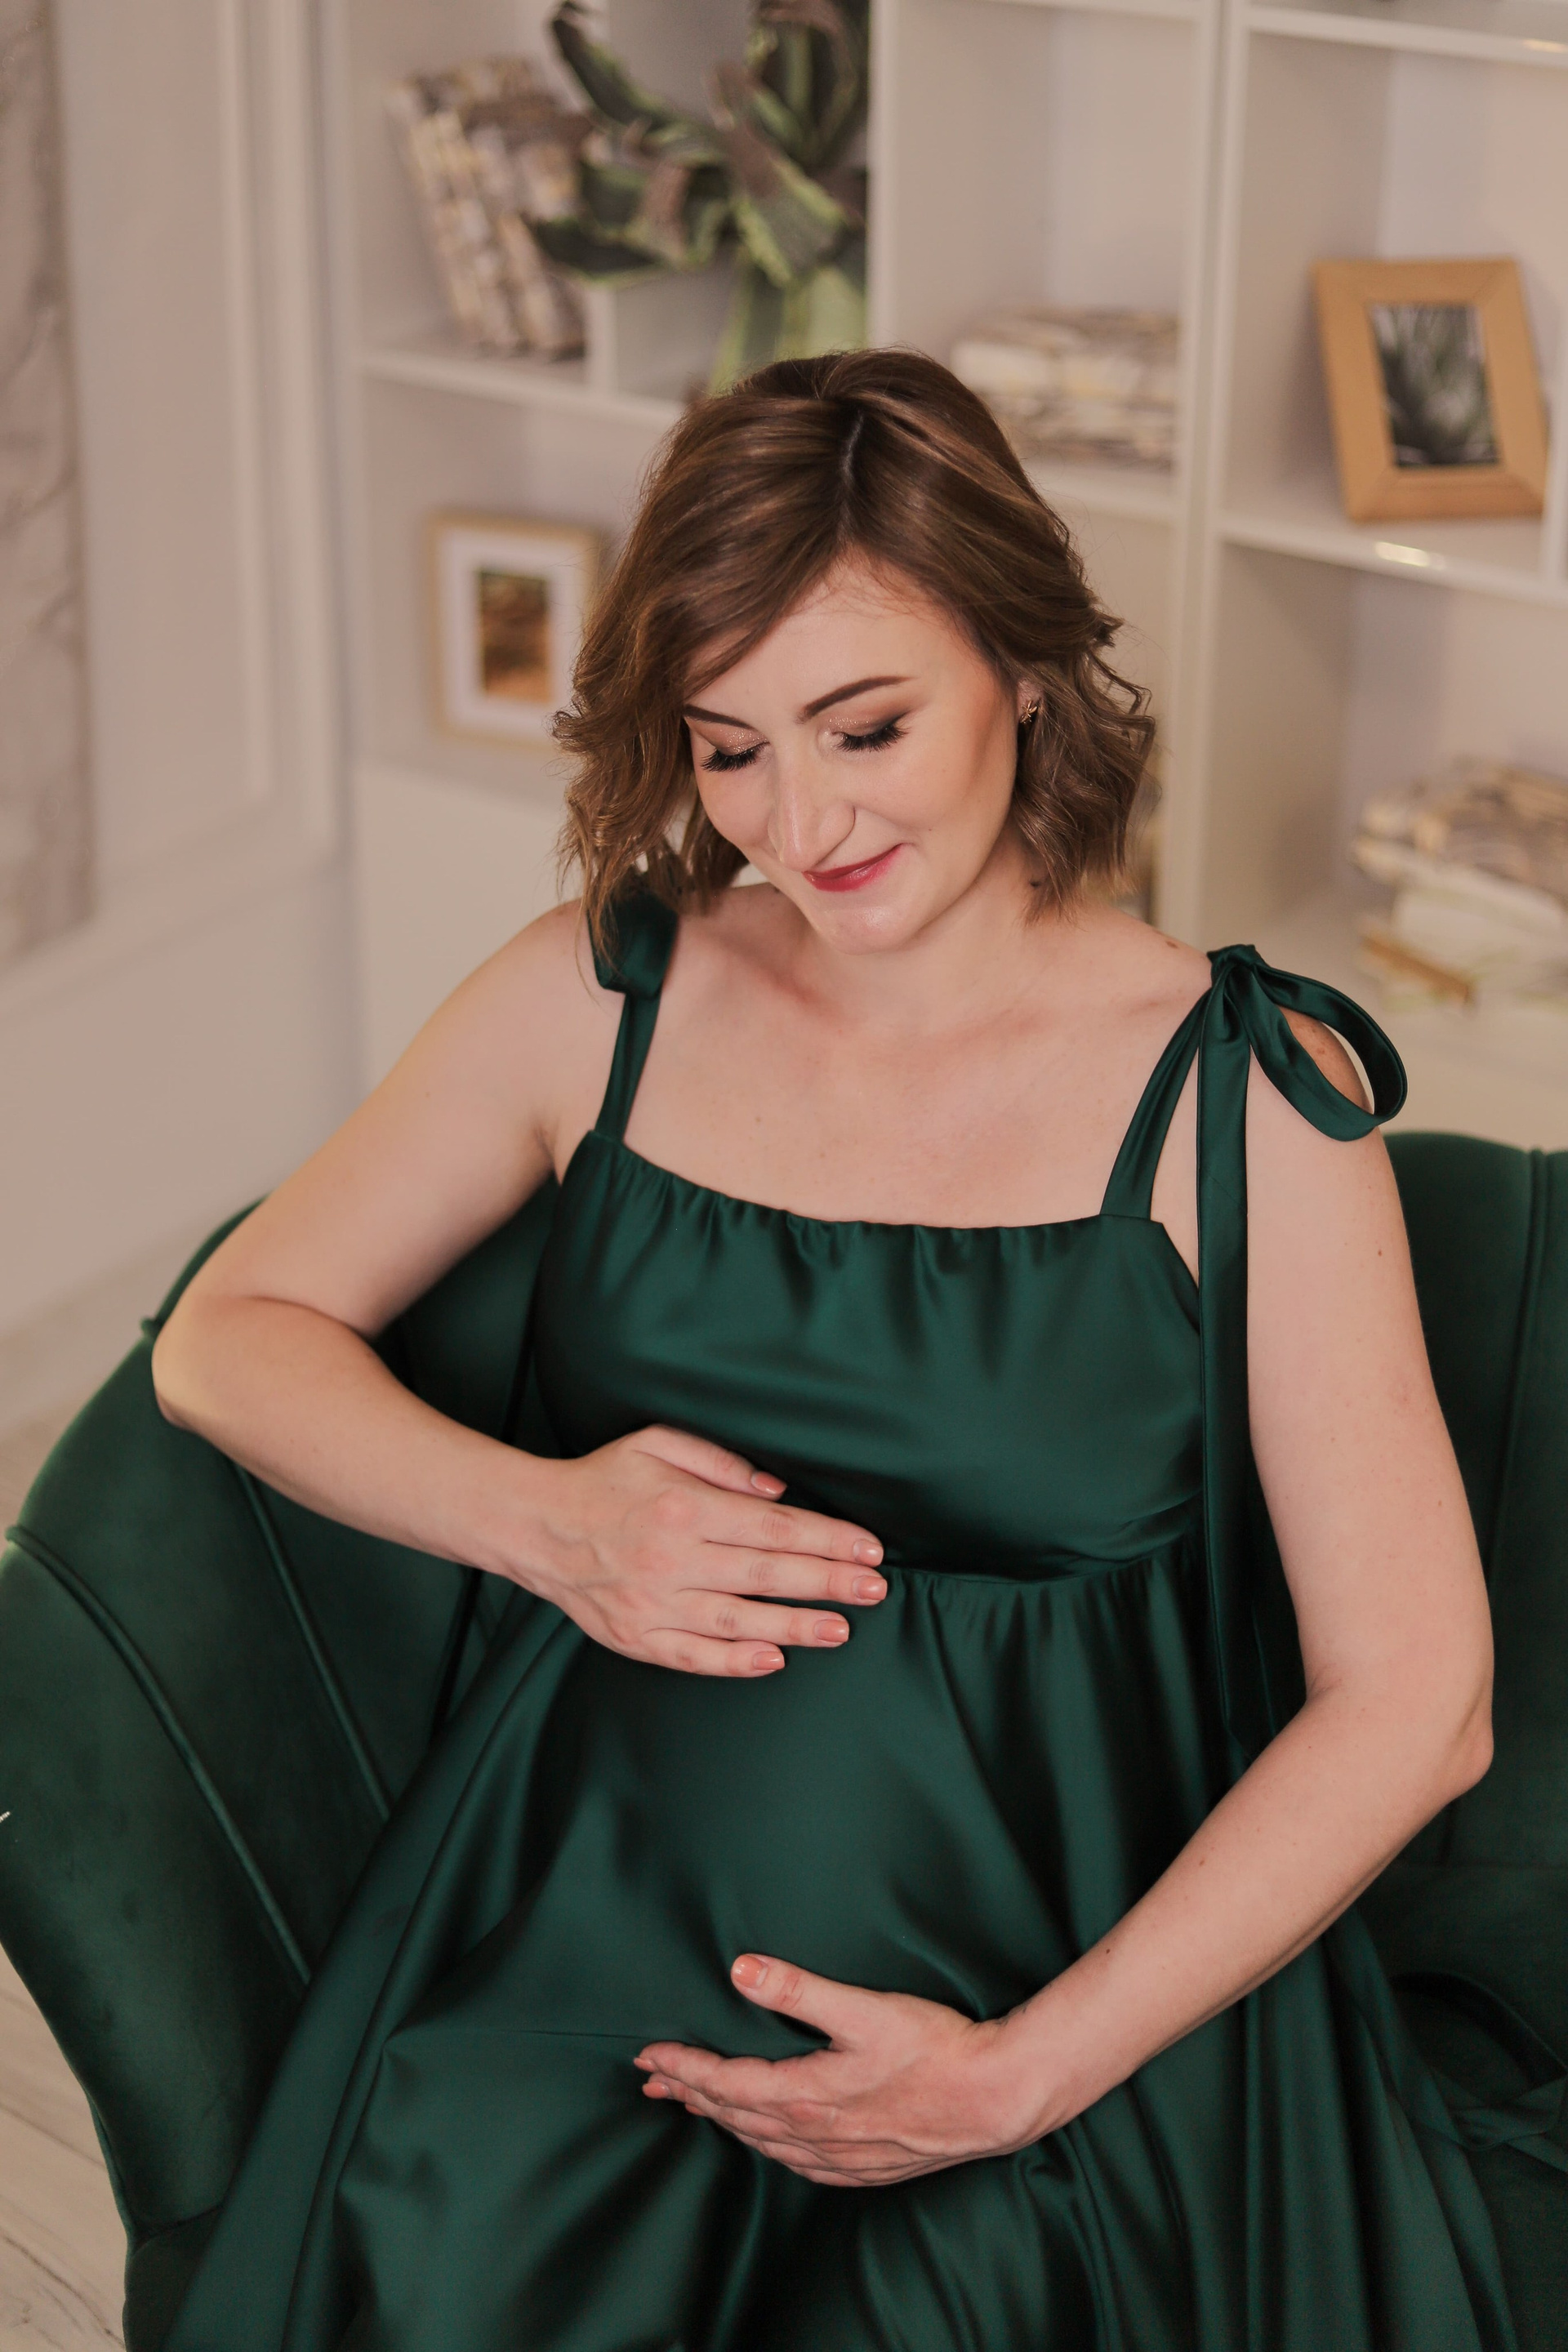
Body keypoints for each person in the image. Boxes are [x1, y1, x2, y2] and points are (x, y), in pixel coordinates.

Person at [150, 349, 1512, 2350]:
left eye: (865, 727)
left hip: (1060, 1987)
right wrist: (547, 1522)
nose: (799, 821)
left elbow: (1420, 1697)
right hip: (586, 1926)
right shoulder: (597, 998)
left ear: (1024, 671)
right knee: (450, 2266)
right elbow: (226, 1340)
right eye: (730, 749)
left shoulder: (1241, 1096)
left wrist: (1014, 2078)